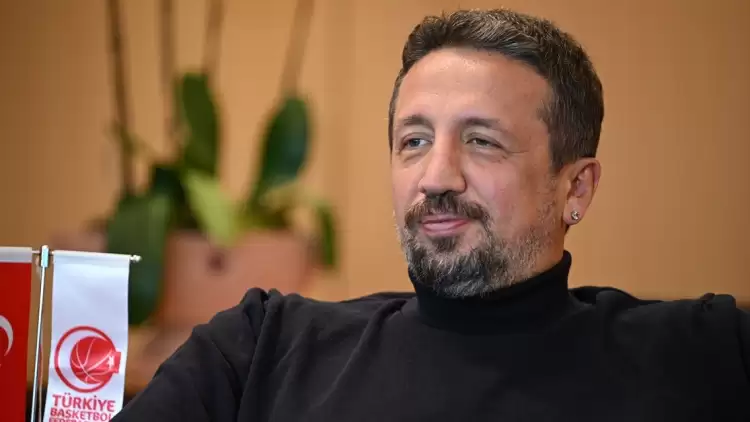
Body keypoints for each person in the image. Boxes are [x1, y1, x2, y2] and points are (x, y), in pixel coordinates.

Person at [112, 8, 750, 421]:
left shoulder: (706, 354)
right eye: (414, 141)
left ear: (575, 187)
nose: (436, 177)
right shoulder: (263, 348)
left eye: (482, 140)